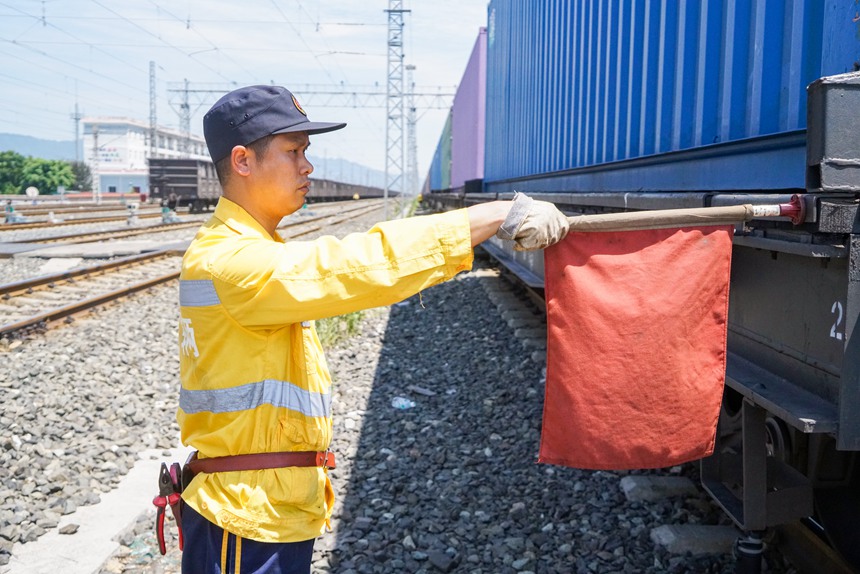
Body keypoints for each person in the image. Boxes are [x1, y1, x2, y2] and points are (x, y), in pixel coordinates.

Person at [176, 84, 569, 573]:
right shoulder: (230, 260)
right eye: (294, 151)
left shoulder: (243, 247)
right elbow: (349, 265)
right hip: (243, 515)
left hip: (266, 506)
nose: (308, 167)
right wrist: (491, 214)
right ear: (242, 161)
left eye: (306, 152)